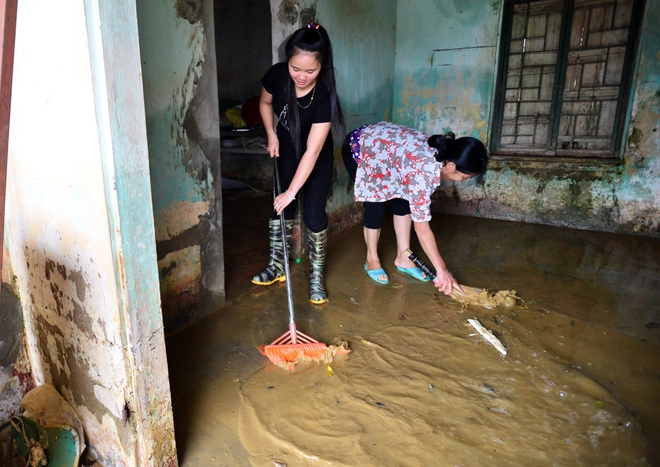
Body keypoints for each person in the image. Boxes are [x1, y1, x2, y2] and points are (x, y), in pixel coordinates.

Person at [252, 23, 345, 305]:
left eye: (310, 71)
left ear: (322, 66)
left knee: (313, 214)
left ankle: (316, 277)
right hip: (286, 148)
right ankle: (277, 265)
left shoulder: (325, 93)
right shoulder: (277, 75)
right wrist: (271, 135)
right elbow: (265, 103)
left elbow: (313, 150)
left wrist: (292, 190)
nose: (301, 77)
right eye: (296, 68)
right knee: (282, 207)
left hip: (315, 158)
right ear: (287, 62)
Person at [342, 121, 488, 295]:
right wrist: (442, 270)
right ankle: (371, 259)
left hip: (390, 153)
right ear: (451, 166)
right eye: (464, 177)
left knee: (404, 202)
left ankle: (404, 257)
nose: (463, 181)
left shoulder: (443, 152)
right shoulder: (423, 172)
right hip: (362, 146)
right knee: (375, 207)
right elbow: (422, 228)